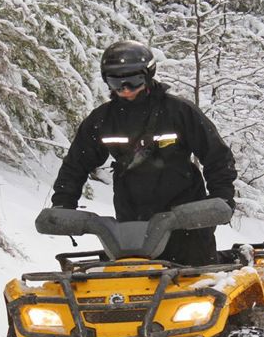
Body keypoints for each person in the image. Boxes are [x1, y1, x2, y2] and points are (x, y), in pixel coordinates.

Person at [50, 40, 237, 266]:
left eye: (133, 80)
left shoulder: (178, 111)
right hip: (132, 221)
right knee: (134, 281)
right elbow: (76, 164)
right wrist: (63, 203)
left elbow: (217, 156)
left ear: (148, 75)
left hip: (186, 217)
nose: (125, 89)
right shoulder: (103, 120)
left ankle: (232, 261)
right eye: (116, 82)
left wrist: (221, 198)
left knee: (199, 278)